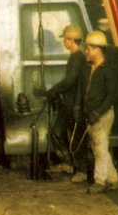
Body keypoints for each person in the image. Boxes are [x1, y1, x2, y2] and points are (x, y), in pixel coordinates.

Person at [35, 23, 88, 174]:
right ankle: (68, 164)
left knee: (67, 136)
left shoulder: (77, 58)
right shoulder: (76, 57)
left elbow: (69, 81)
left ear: (71, 40)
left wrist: (53, 90)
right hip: (69, 103)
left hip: (73, 104)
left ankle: (76, 168)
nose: (64, 42)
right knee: (59, 133)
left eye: (65, 39)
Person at [81, 29, 118, 194]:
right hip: (92, 114)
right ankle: (113, 180)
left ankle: (99, 181)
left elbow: (112, 95)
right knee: (99, 148)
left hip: (102, 115)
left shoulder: (107, 69)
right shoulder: (92, 68)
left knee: (100, 148)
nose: (86, 51)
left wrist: (98, 113)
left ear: (97, 50)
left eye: (89, 48)